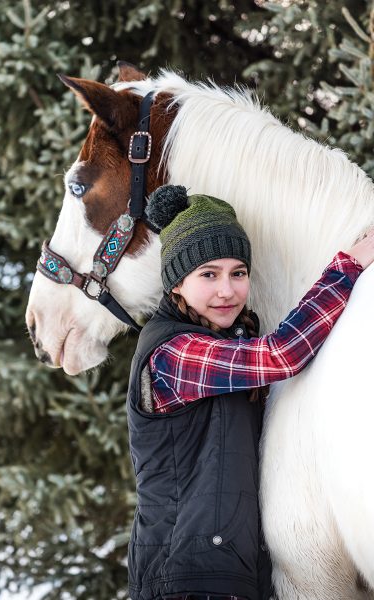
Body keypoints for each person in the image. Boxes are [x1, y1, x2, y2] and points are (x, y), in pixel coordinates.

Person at [126, 184, 374, 600]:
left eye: (237, 273)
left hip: (227, 575)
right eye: (208, 274)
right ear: (175, 285)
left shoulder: (224, 340)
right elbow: (281, 355)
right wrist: (347, 266)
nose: (227, 290)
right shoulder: (174, 354)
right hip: (185, 581)